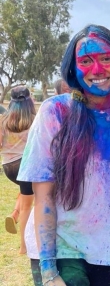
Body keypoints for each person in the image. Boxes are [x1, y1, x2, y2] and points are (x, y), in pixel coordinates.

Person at [17, 24, 110, 286]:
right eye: (86, 61)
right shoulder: (55, 111)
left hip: (108, 251)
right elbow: (43, 194)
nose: (98, 70)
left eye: (105, 58)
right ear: (73, 67)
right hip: (61, 251)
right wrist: (48, 271)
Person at [0, 86, 36, 254]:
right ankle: (23, 246)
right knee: (27, 207)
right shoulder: (35, 120)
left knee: (24, 194)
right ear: (29, 101)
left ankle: (14, 215)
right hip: (27, 166)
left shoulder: (2, 120)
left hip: (8, 168)